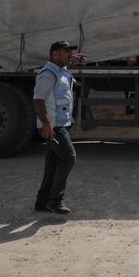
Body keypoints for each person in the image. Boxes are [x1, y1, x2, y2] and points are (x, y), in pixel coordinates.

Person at [34, 40, 87, 214]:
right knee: (69, 158)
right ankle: (55, 200)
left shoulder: (61, 70)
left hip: (61, 123)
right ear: (54, 54)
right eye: (66, 52)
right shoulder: (48, 73)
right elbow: (38, 100)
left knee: (53, 163)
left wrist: (72, 58)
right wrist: (47, 124)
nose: (69, 54)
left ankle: (42, 202)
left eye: (70, 52)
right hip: (54, 126)